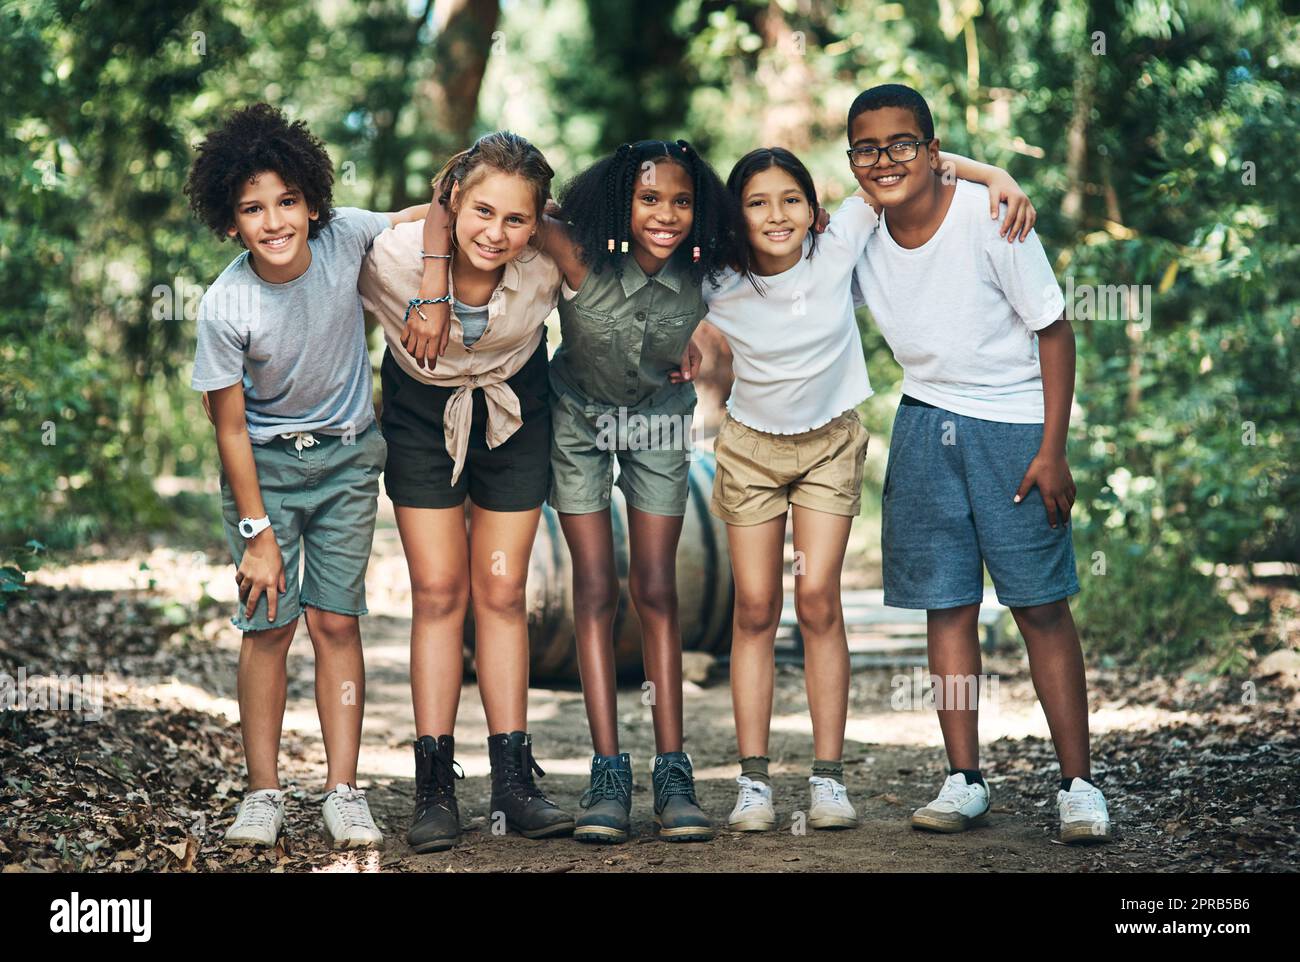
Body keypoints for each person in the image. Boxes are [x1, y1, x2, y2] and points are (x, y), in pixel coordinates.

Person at [699, 145, 1036, 833]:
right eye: (758, 202)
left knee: (819, 597)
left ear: (815, 208)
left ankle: (827, 779)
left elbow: (917, 167)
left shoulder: (841, 239)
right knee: (756, 607)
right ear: (736, 214)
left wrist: (995, 175)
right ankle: (755, 783)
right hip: (750, 450)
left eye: (791, 199)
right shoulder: (717, 279)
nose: (776, 214)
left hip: (829, 444)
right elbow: (644, 253)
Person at [847, 83, 1111, 843]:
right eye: (868, 149)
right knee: (947, 604)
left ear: (934, 151)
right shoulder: (862, 227)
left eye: (904, 144)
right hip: (926, 419)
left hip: (1014, 425)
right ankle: (964, 778)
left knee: (1038, 603)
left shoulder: (992, 219)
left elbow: (1055, 332)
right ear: (854, 162)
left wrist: (1052, 450)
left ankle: (1078, 784)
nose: (885, 160)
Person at [186, 103, 428, 849]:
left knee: (334, 621)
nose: (274, 220)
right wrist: (257, 532)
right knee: (270, 626)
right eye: (253, 208)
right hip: (264, 473)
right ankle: (263, 793)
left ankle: (343, 790)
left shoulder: (347, 234)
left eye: (287, 201)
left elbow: (426, 217)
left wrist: (505, 202)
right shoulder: (227, 304)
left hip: (350, 461)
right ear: (231, 223)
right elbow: (227, 427)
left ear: (313, 202)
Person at [357, 131, 574, 852]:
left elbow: (602, 269)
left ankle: (513, 782)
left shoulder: (544, 261)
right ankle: (434, 787)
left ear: (537, 221)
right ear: (453, 202)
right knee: (442, 592)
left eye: (517, 219)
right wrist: (429, 274)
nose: (497, 232)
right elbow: (310, 257)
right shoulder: (391, 259)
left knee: (503, 591)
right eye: (482, 212)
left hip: (516, 408)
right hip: (422, 414)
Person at [537, 139, 744, 843]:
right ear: (622, 201)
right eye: (649, 198)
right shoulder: (578, 252)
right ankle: (607, 772)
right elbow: (490, 199)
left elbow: (794, 234)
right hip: (577, 420)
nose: (667, 214)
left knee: (656, 586)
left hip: (658, 420)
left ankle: (673, 772)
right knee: (593, 588)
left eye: (681, 200)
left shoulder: (705, 264)